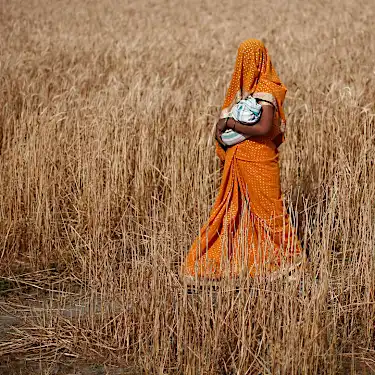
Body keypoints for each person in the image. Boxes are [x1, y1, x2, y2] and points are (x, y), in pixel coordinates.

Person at [182, 39, 302, 281]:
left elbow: (265, 128)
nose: (245, 64)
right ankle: (247, 260)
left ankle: (292, 259)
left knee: (270, 211)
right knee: (231, 209)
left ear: (259, 60)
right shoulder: (242, 92)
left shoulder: (266, 88)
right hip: (239, 158)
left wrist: (230, 124)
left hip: (259, 160)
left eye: (248, 59)